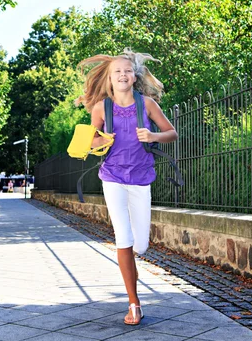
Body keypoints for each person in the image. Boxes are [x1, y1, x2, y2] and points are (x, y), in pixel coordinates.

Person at [76, 48, 178, 325]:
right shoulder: (101, 108)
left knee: (141, 245)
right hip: (112, 178)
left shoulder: (146, 105)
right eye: (117, 72)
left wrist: (153, 134)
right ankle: (134, 303)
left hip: (141, 179)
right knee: (123, 238)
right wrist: (100, 140)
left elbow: (172, 133)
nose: (122, 75)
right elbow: (88, 142)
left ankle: (131, 263)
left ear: (134, 77)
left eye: (127, 71)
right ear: (109, 79)